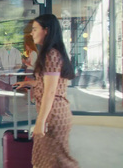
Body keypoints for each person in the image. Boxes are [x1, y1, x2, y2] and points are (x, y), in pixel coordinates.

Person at [14, 14, 79, 168]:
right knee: (45, 161)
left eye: (35, 29)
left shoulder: (51, 54)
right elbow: (51, 83)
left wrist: (40, 122)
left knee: (58, 163)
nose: (32, 33)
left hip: (53, 116)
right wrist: (31, 83)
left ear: (47, 30)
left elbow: (50, 92)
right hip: (55, 114)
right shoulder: (53, 52)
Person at [0, 42, 22, 116]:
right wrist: (0, 72)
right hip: (1, 77)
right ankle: (1, 112)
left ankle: (6, 110)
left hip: (11, 78)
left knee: (8, 95)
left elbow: (19, 64)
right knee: (2, 95)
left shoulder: (16, 52)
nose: (8, 44)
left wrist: (13, 71)